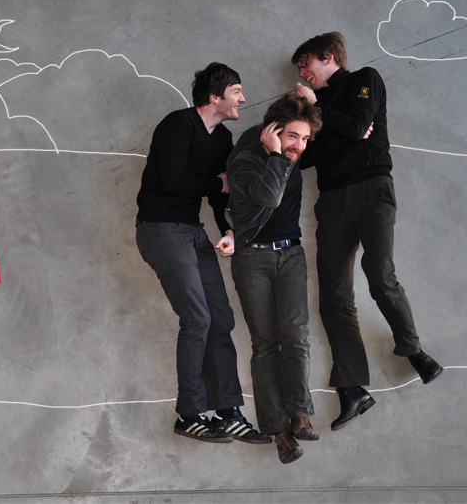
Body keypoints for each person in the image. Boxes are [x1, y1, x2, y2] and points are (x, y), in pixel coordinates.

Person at [292, 32, 443, 431]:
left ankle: (413, 350)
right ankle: (352, 389)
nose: (303, 74)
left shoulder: (365, 79)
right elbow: (308, 157)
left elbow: (358, 125)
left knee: (380, 275)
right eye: (300, 69)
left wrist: (323, 114)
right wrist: (341, 130)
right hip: (331, 200)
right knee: (333, 295)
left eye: (306, 64)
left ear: (329, 57)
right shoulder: (314, 106)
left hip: (373, 189)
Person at [135, 63, 270, 444]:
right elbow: (174, 181)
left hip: (193, 231)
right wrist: (216, 183)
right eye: (236, 91)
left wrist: (229, 229)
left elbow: (219, 195)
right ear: (215, 96)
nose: (243, 98)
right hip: (161, 229)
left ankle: (227, 411)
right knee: (197, 319)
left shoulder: (223, 138)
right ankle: (189, 414)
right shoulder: (178, 125)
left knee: (220, 318)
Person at [226, 95, 323, 464]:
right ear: (272, 131)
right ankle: (279, 433)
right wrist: (276, 154)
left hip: (291, 255)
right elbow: (269, 197)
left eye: (305, 139)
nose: (299, 145)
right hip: (253, 258)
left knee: (296, 334)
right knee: (266, 344)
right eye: (293, 136)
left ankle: (299, 415)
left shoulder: (291, 153)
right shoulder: (246, 159)